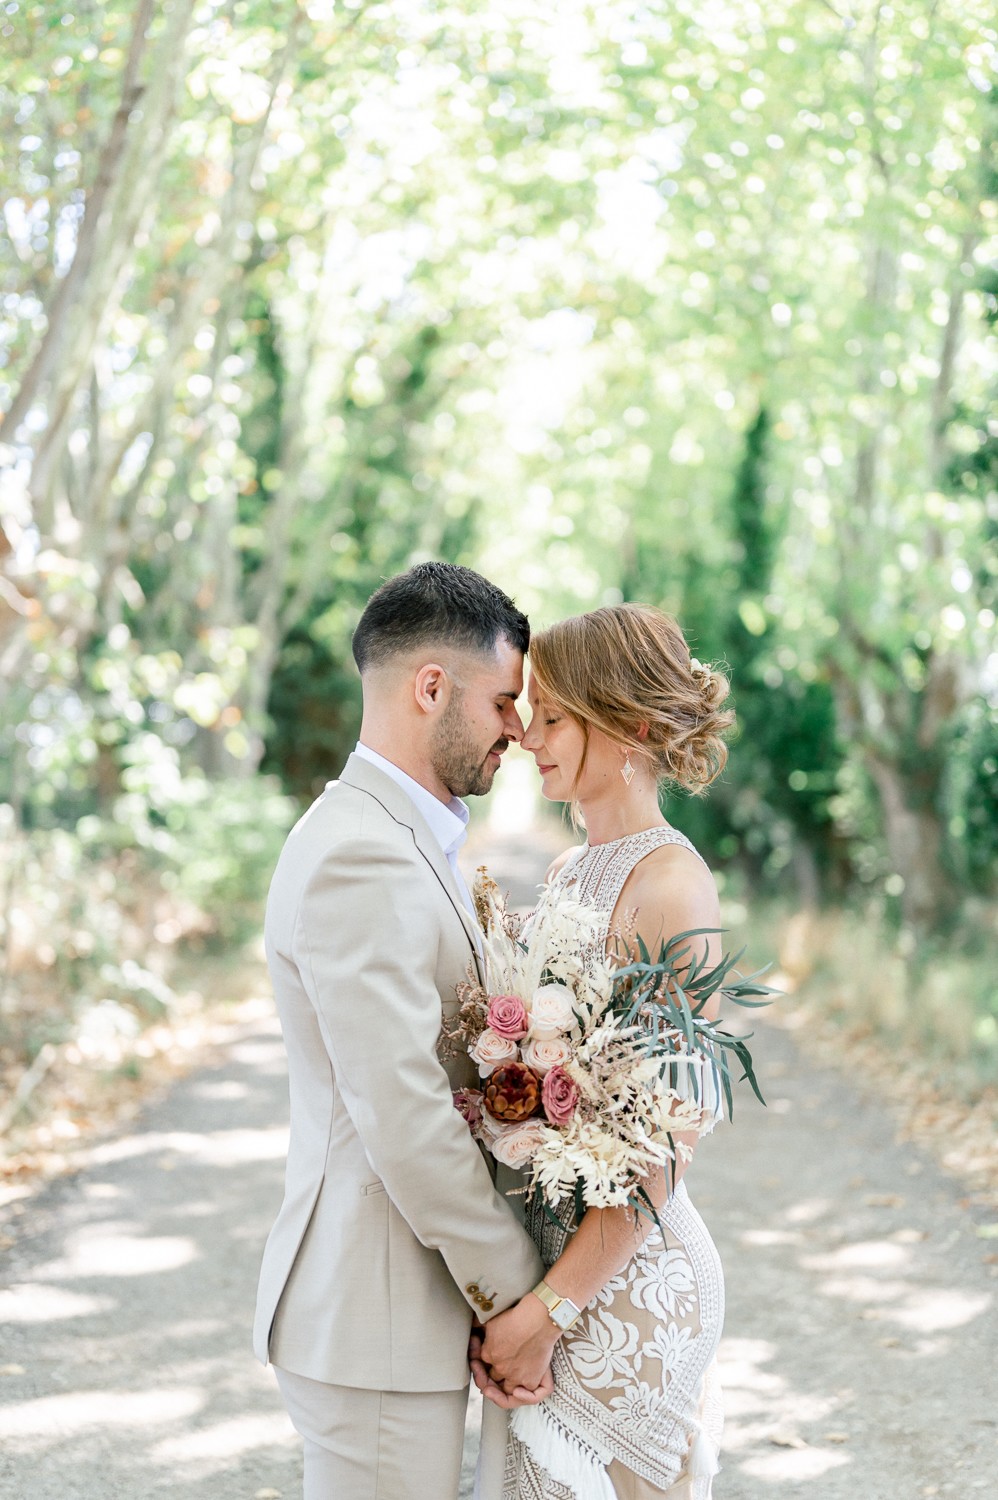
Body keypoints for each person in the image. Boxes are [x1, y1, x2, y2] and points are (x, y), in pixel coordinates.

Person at [253, 562, 550, 1500]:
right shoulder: (359, 854)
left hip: (402, 1315)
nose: (519, 727)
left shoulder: (410, 838)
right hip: (373, 1322)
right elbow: (406, 1118)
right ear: (432, 687)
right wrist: (523, 1294)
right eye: (505, 701)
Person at [472, 603, 735, 1500]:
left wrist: (553, 1309)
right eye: (530, 714)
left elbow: (668, 1139)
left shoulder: (673, 885)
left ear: (630, 726)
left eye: (552, 716)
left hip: (627, 1290)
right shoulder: (562, 872)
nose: (528, 735)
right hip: (550, 1268)